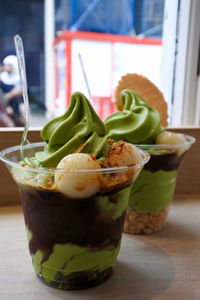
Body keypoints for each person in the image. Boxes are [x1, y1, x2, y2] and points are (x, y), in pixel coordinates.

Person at [0, 55, 24, 126]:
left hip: (15, 108)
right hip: (6, 110)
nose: (7, 68)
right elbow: (3, 98)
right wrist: (13, 93)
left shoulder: (19, 78)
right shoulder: (3, 80)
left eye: (9, 65)